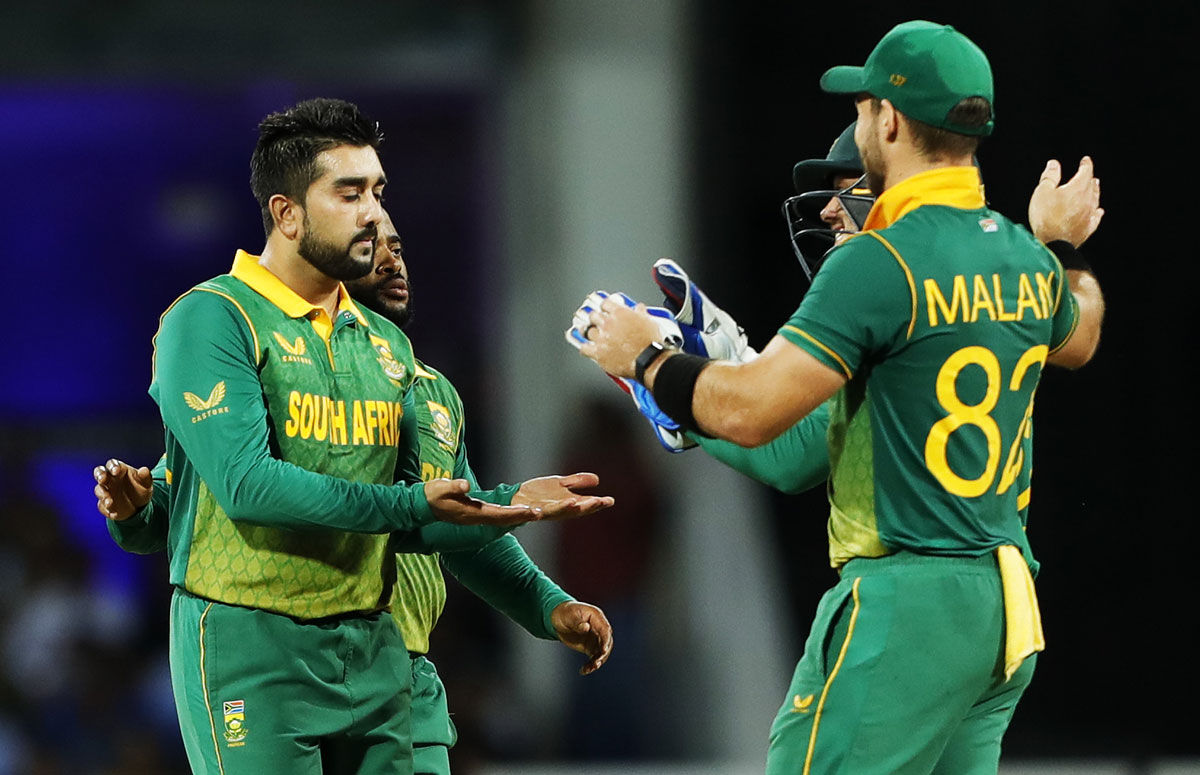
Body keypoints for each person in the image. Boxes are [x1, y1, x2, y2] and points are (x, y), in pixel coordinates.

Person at [576, 21, 1104, 774]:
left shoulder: (880, 264)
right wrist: (1058, 242)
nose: (832, 197)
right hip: (1004, 604)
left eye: (862, 110)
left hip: (906, 600)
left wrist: (648, 360)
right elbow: (1081, 333)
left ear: (889, 120)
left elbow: (757, 413)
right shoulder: (1020, 254)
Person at [108, 97, 612, 775]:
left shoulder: (392, 354)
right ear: (286, 213)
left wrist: (529, 556)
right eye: (350, 194)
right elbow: (245, 486)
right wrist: (145, 515)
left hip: (378, 645)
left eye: (378, 192)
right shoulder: (212, 318)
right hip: (251, 641)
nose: (373, 214)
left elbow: (442, 515)